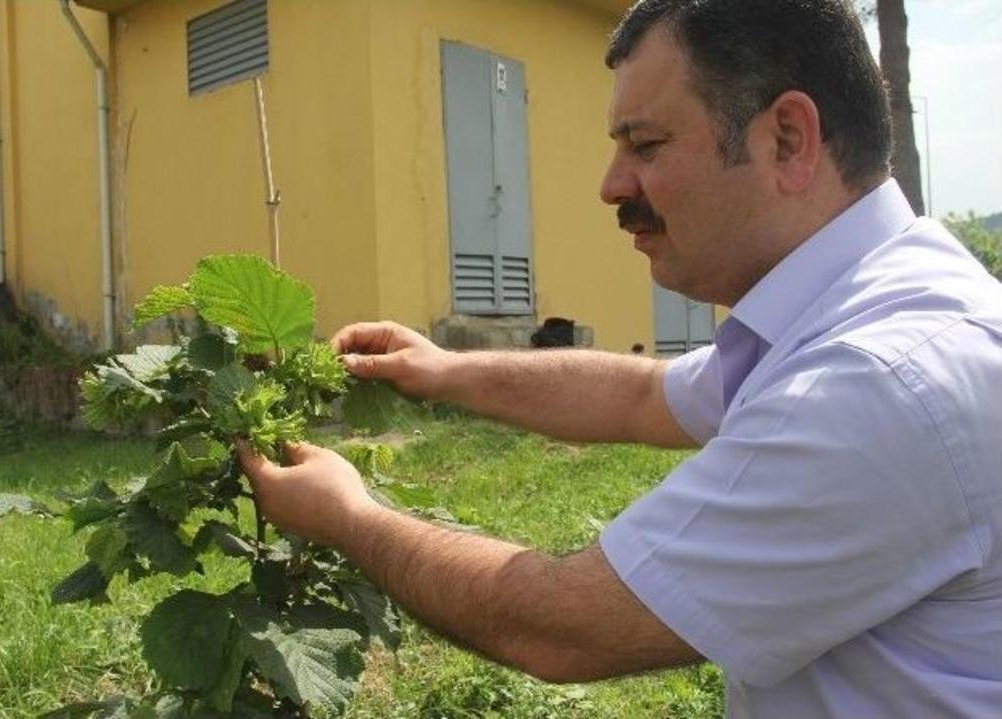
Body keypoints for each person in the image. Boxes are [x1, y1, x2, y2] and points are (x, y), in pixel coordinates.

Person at [239, 0, 1002, 715]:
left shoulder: (877, 382)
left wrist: (348, 515)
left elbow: (562, 624)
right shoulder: (865, 305)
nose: (611, 186)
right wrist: (444, 369)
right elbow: (644, 393)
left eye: (646, 145)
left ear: (789, 140)